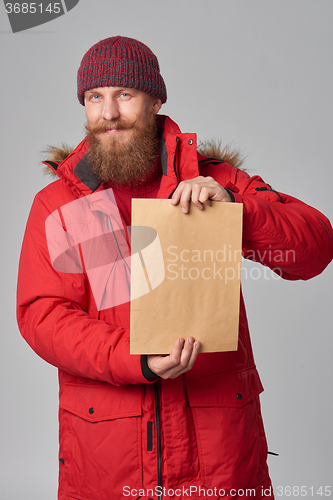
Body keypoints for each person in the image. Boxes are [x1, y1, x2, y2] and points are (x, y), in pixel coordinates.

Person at [17, 36, 333, 500]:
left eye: (125, 94)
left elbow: (315, 248)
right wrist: (137, 357)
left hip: (219, 458)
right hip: (107, 462)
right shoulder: (60, 205)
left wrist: (236, 210)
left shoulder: (216, 181)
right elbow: (43, 315)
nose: (108, 113)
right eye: (94, 97)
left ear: (156, 99)